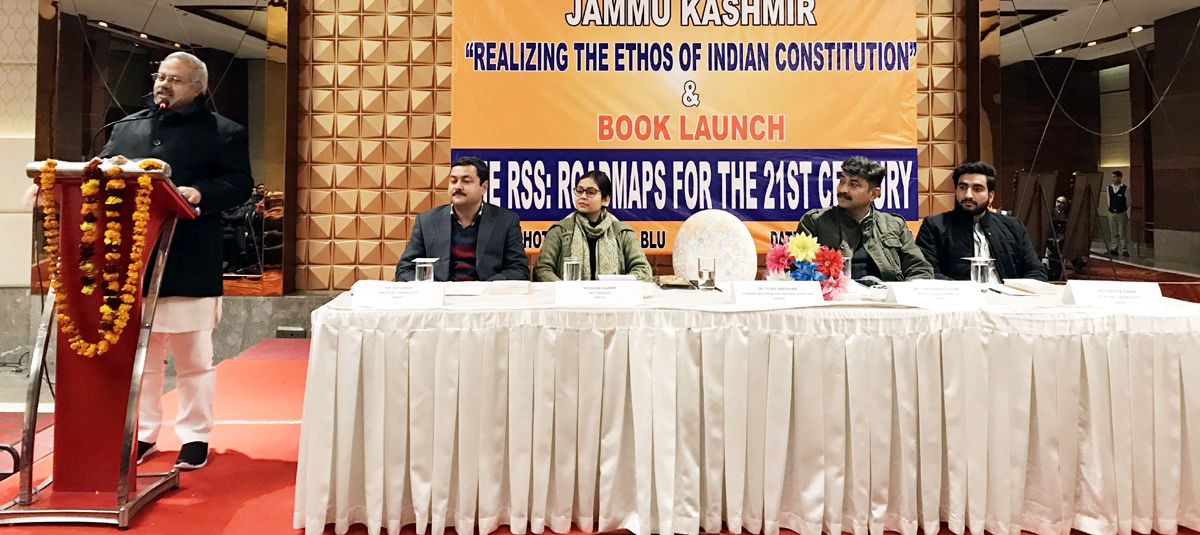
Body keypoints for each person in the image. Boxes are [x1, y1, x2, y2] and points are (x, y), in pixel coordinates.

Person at [100, 51, 253, 470]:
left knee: (193, 358)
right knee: (143, 359)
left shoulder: (223, 131)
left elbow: (239, 183)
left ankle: (195, 437)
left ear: (198, 88)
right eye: (161, 76)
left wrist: (200, 192)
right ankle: (143, 433)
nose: (163, 84)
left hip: (189, 255)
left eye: (175, 79)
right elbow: (103, 170)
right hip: (134, 258)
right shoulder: (127, 127)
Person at [797, 156, 933, 283]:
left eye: (853, 185)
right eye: (842, 181)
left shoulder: (895, 225)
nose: (843, 189)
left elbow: (920, 269)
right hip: (837, 296)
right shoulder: (815, 221)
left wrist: (902, 292)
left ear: (873, 194)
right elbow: (800, 270)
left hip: (884, 297)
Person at [396, 156, 530, 281]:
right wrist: (435, 288)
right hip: (442, 294)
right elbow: (404, 269)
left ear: (484, 187)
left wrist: (485, 288)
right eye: (453, 181)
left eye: (466, 181)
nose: (458, 186)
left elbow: (519, 270)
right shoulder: (427, 221)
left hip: (486, 295)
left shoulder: (505, 221)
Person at [915, 161, 1048, 282]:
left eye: (977, 189)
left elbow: (1036, 271)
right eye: (963, 187)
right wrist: (965, 292)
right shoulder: (935, 226)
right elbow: (926, 273)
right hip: (959, 299)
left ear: (990, 196)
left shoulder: (1012, 227)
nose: (968, 195)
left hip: (1006, 298)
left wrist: (1015, 293)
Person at [534, 170, 653, 282]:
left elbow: (643, 270)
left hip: (613, 297)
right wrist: (566, 290)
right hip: (569, 297)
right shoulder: (560, 231)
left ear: (605, 200)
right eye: (579, 191)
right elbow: (542, 270)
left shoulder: (622, 233)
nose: (583, 196)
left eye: (590, 192)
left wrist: (617, 288)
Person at [1107, 170, 1131, 257]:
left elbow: (1128, 201)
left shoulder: (1125, 188)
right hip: (1112, 212)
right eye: (1112, 177)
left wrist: (1123, 208)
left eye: (1114, 177)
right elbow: (1109, 200)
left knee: (1122, 232)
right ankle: (1114, 248)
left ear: (1120, 178)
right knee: (1113, 232)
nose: (1112, 179)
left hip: (1121, 213)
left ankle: (1124, 249)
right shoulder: (1109, 188)